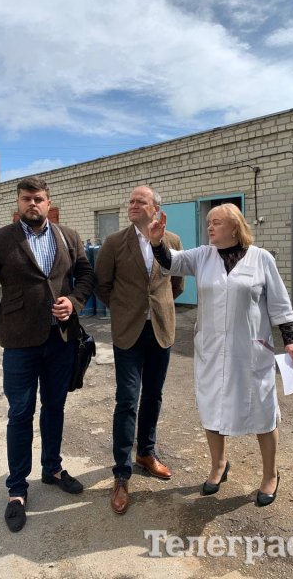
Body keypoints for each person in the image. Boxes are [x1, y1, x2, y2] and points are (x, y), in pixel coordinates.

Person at [148, 203, 293, 507]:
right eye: (209, 222)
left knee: (263, 411)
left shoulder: (261, 258)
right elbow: (171, 262)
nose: (210, 226)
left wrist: (291, 340)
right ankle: (219, 465)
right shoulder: (203, 256)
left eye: (217, 222)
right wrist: (156, 241)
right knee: (211, 408)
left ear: (235, 227)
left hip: (251, 350)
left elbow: (279, 302)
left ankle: (270, 475)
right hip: (211, 349)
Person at [0, 177, 95, 532]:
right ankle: (17, 489)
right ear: (18, 202)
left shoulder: (68, 236)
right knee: (21, 412)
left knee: (55, 407)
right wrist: (3, 323)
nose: (32, 204)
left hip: (61, 341)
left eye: (38, 198)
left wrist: (75, 301)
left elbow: (86, 275)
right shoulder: (0, 240)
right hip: (20, 346)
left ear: (48, 202)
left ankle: (52, 468)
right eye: (26, 199)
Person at [94, 185, 184, 514]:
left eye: (139, 201)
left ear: (155, 208)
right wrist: (123, 309)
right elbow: (102, 284)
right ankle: (121, 473)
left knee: (154, 395)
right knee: (127, 399)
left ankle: (146, 452)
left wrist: (158, 307)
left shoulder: (172, 241)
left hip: (160, 328)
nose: (132, 205)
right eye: (130, 200)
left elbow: (177, 283)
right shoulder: (115, 242)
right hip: (128, 331)